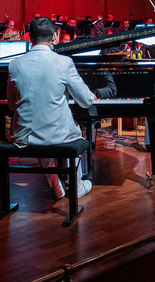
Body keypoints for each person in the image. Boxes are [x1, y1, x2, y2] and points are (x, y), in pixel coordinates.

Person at [6, 16, 95, 198]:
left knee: (38, 128)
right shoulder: (64, 62)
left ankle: (55, 183)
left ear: (30, 38)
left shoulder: (14, 64)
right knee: (74, 130)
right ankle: (76, 186)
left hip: (23, 135)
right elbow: (86, 101)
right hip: (55, 134)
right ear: (54, 36)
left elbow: (12, 105)